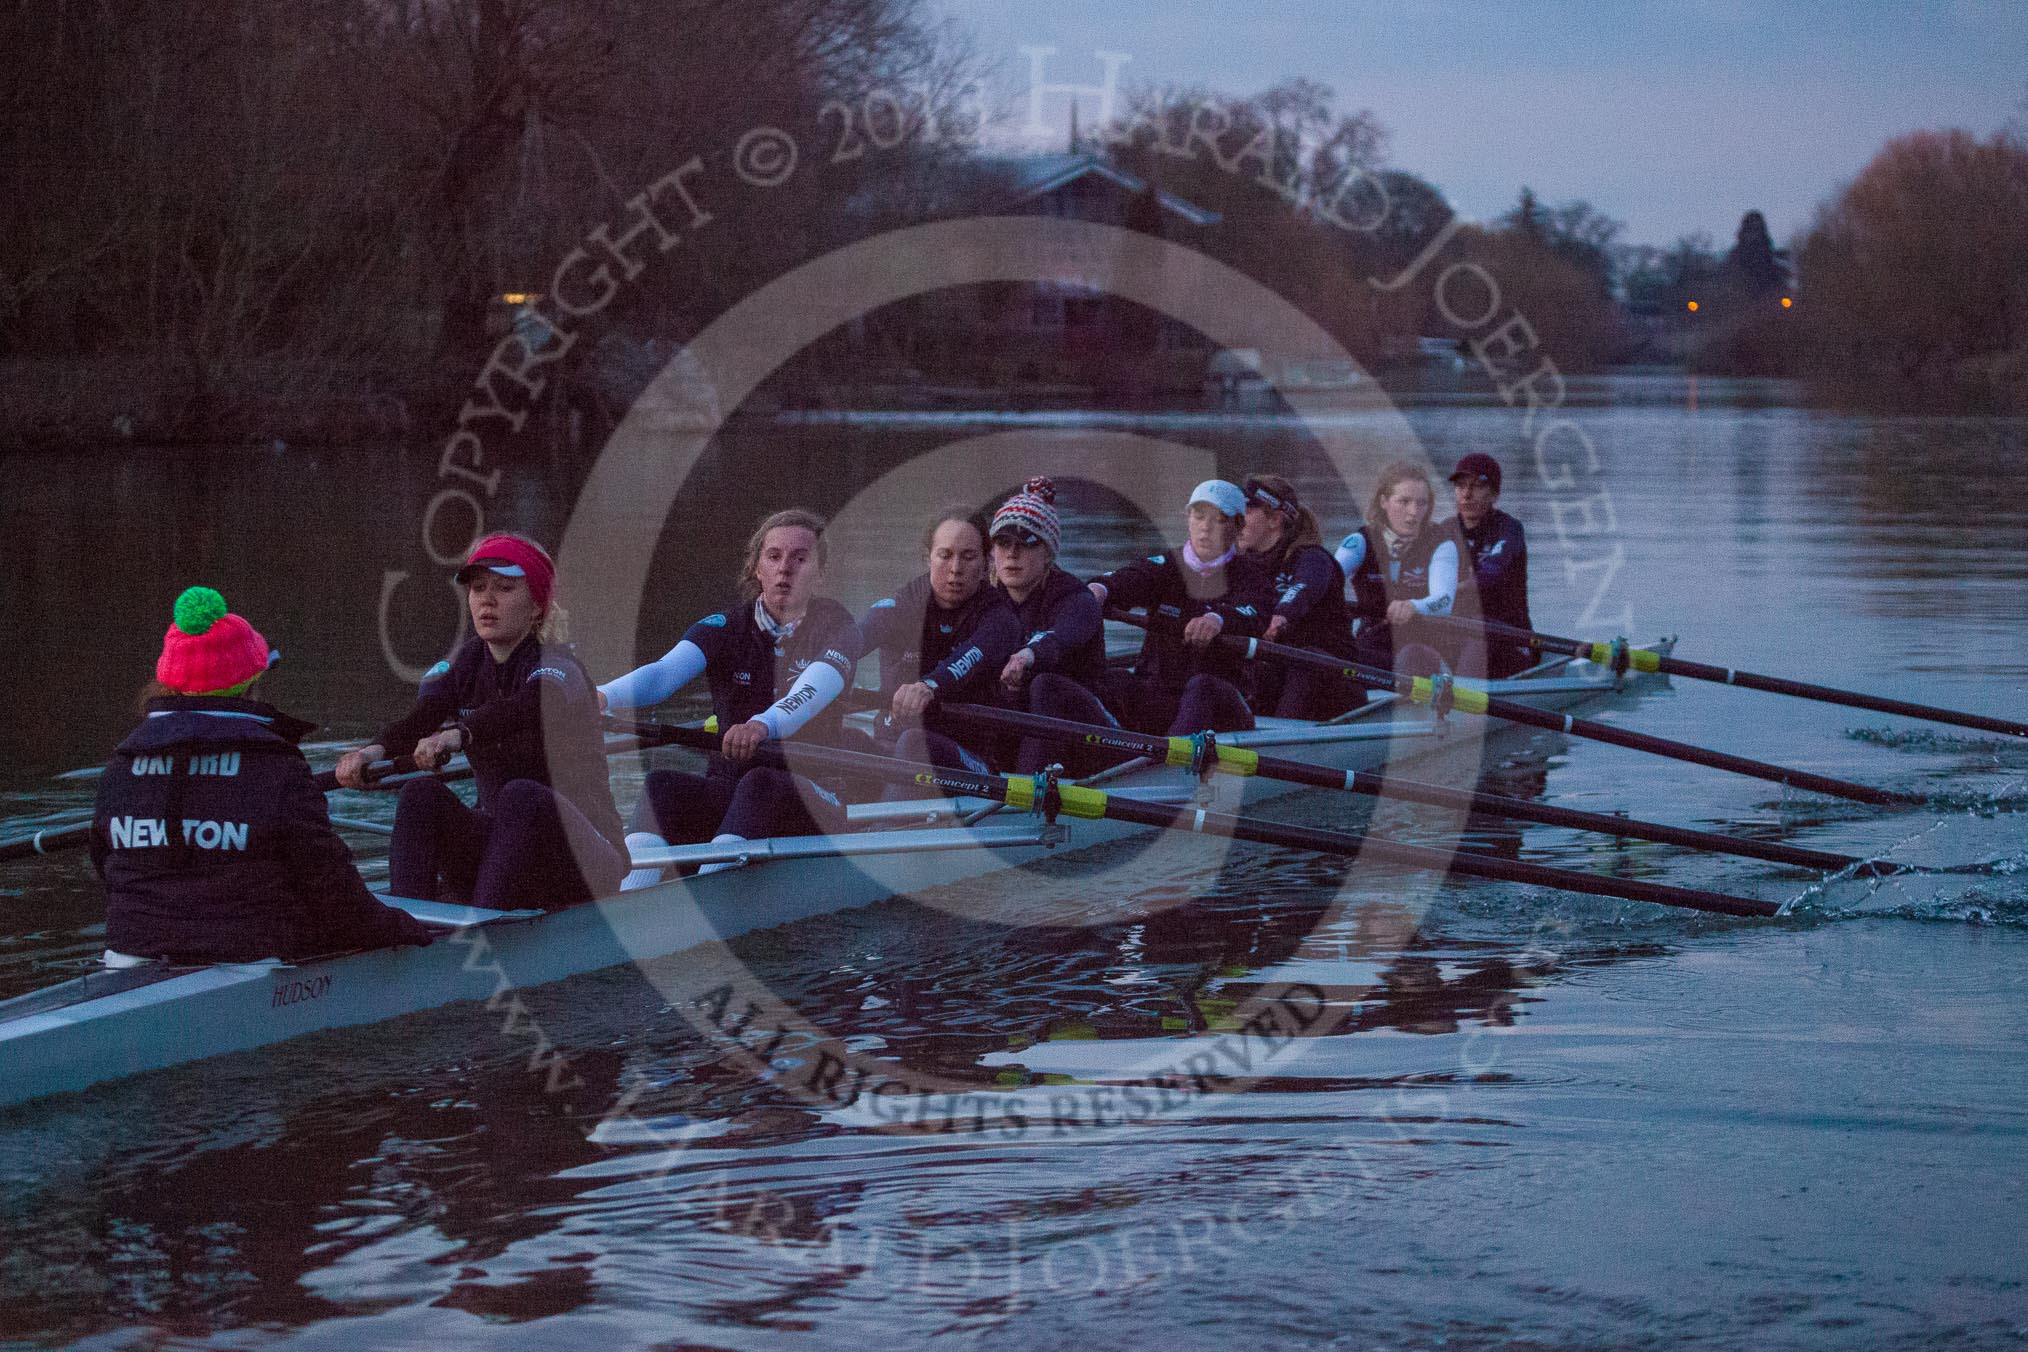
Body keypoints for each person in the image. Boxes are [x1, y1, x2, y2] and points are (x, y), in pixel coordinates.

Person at [92, 587, 433, 965]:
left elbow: (107, 868)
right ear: (251, 684)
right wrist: (398, 928)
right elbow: (329, 887)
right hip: (248, 953)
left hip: (129, 950)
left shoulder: (123, 762)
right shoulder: (276, 765)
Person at [335, 534, 626, 910]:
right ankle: (408, 930)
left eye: (505, 588)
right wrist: (369, 751)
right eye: (478, 588)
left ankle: (482, 936)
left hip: (586, 861)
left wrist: (459, 734)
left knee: (520, 794)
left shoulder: (559, 668)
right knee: (419, 794)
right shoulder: (465, 663)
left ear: (537, 606)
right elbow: (423, 717)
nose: (487, 599)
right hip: (510, 853)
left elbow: (525, 707)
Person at [598, 509, 863, 888]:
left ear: (820, 573)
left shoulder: (839, 628)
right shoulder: (723, 627)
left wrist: (762, 725)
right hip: (733, 791)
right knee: (661, 787)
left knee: (761, 781)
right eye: (773, 557)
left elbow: (813, 689)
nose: (785, 568)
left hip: (814, 800)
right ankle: (626, 906)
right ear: (757, 568)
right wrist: (600, 696)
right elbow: (659, 676)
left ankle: (710, 902)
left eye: (800, 559)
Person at [1079, 479, 1275, 737]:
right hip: (1163, 696)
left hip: (1223, 703)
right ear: (1188, 518)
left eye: (1219, 519)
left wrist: (1217, 620)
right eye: (1199, 516)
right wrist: (1098, 590)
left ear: (1238, 525)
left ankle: (1170, 764)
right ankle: (1099, 759)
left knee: (1201, 686)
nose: (1205, 528)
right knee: (1112, 680)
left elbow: (1252, 612)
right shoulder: (1166, 566)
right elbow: (1126, 580)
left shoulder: (1253, 577)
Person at [859, 506, 1022, 776]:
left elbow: (972, 655)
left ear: (985, 563)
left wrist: (930, 685)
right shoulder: (904, 603)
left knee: (914, 743)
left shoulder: (1000, 619)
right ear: (928, 558)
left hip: (971, 759)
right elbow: (856, 638)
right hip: (891, 746)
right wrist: (826, 665)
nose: (955, 569)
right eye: (945, 556)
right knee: (848, 739)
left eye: (968, 557)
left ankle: (881, 819)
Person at [986, 477, 1110, 773]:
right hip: (1022, 731)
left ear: (1048, 555)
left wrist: (1027, 655)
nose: (1012, 554)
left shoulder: (1077, 599)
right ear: (992, 551)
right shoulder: (984, 599)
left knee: (1046, 685)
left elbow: (1060, 638)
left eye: (1027, 543)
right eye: (1003, 543)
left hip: (1091, 739)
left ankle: (1023, 794)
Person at [1236, 473, 1359, 718]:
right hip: (1274, 675)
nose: (1236, 521)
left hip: (1332, 682)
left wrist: (1281, 615)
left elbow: (1304, 587)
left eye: (1247, 512)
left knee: (1305, 660)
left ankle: (1278, 734)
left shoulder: (1312, 558)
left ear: (1274, 520)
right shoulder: (1240, 565)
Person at [1335, 461, 1462, 675]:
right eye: (1404, 501)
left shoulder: (1442, 545)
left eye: (1421, 503)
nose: (1413, 512)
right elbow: (1324, 582)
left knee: (1410, 655)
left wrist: (1413, 606)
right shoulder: (1359, 542)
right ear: (1384, 501)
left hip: (1424, 646)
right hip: (1372, 642)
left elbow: (1444, 601)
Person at [1447, 452, 1534, 678]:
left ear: (1494, 494)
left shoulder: (1509, 529)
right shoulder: (1444, 530)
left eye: (1476, 486)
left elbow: (1491, 574)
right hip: (1459, 633)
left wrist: (1446, 589)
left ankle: (1456, 703)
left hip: (1509, 639)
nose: (1466, 494)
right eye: (1461, 486)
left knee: (1475, 636)